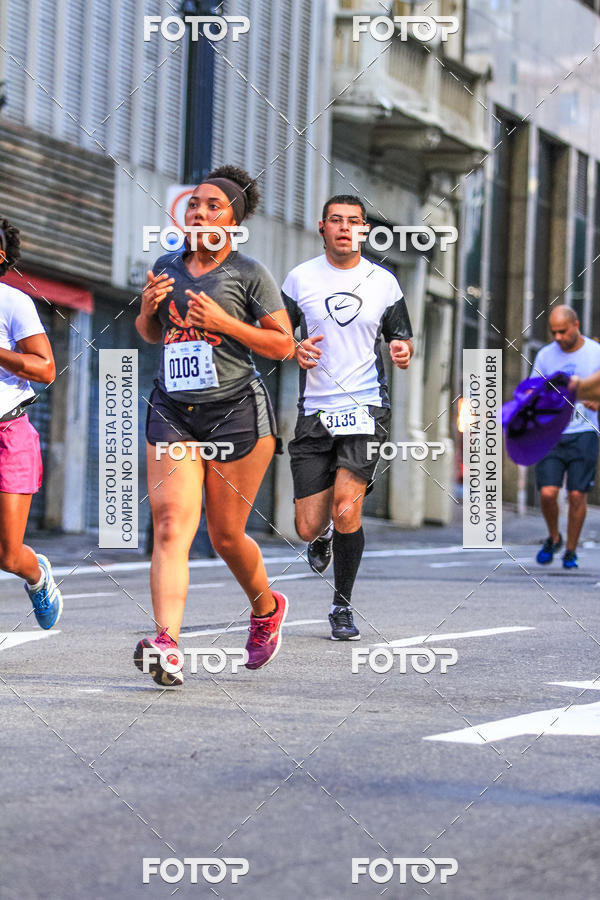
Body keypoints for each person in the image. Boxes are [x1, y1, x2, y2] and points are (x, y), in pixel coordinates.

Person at [134, 166, 295, 686]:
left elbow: (282, 346)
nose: (199, 212)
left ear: (233, 220)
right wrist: (147, 309)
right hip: (173, 410)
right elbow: (152, 335)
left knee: (226, 536)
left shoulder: (250, 274)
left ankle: (266, 607)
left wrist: (224, 323)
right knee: (169, 528)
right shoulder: (165, 264)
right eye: (194, 204)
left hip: (236, 411)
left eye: (212, 206)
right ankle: (167, 644)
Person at [282, 195, 413, 641]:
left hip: (364, 407)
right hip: (315, 412)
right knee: (306, 526)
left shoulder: (383, 282)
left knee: (346, 508)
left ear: (363, 230)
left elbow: (402, 337)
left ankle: (342, 606)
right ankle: (321, 540)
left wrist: (402, 350)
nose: (344, 227)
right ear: (322, 228)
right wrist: (292, 348)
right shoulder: (300, 279)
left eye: (353, 221)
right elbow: (278, 335)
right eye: (335, 221)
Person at [0, 219, 62, 628]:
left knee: (7, 554)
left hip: (9, 432)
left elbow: (46, 368)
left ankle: (36, 575)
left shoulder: (13, 302)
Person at [531, 306, 600, 568]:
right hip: (551, 434)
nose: (558, 337)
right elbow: (533, 390)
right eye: (554, 332)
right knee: (548, 493)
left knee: (576, 495)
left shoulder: (595, 353)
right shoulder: (545, 355)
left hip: (584, 432)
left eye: (563, 331)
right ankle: (554, 537)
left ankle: (570, 550)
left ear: (576, 325)